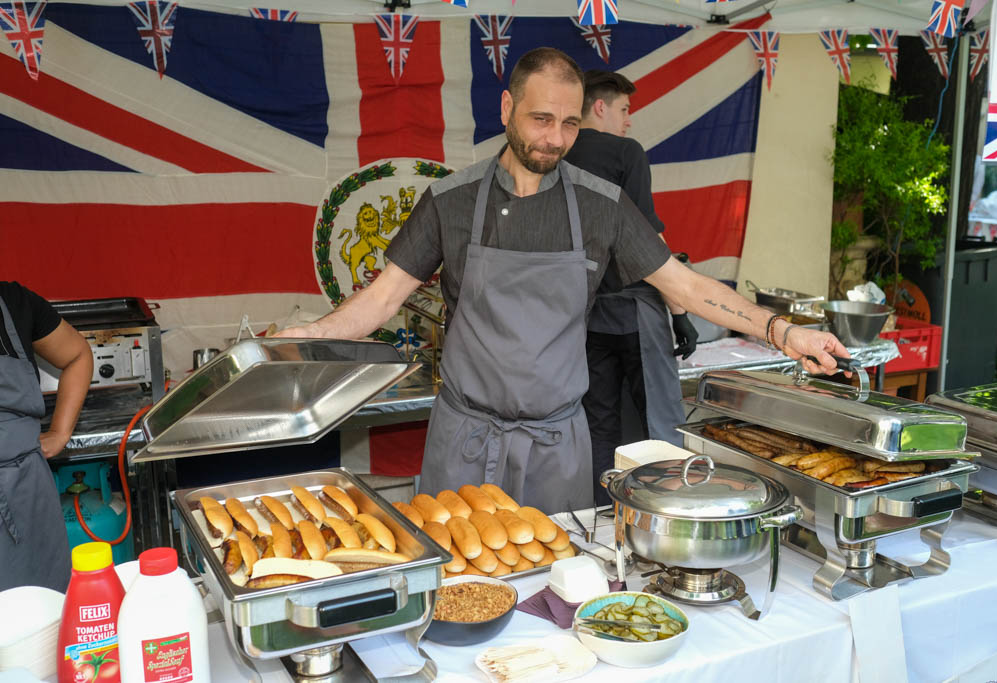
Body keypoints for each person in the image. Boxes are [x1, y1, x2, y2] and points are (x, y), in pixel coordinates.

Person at [278, 47, 850, 513]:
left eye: (570, 123)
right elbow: (380, 301)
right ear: (507, 107)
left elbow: (685, 287)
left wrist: (784, 331)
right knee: (459, 590)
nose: (555, 139)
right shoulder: (451, 201)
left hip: (558, 448)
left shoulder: (602, 206)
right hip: (464, 442)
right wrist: (300, 340)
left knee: (560, 589)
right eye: (541, 119)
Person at [564, 69, 696, 506]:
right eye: (624, 109)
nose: (628, 120)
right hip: (634, 308)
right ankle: (668, 512)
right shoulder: (626, 152)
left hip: (581, 315)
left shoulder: (556, 154)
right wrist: (680, 311)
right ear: (600, 107)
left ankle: (604, 515)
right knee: (661, 422)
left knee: (598, 424)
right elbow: (649, 244)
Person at [0, 281, 92, 592]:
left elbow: (78, 354)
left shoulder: (12, 301)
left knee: (41, 607)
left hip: (24, 492)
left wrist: (60, 432)